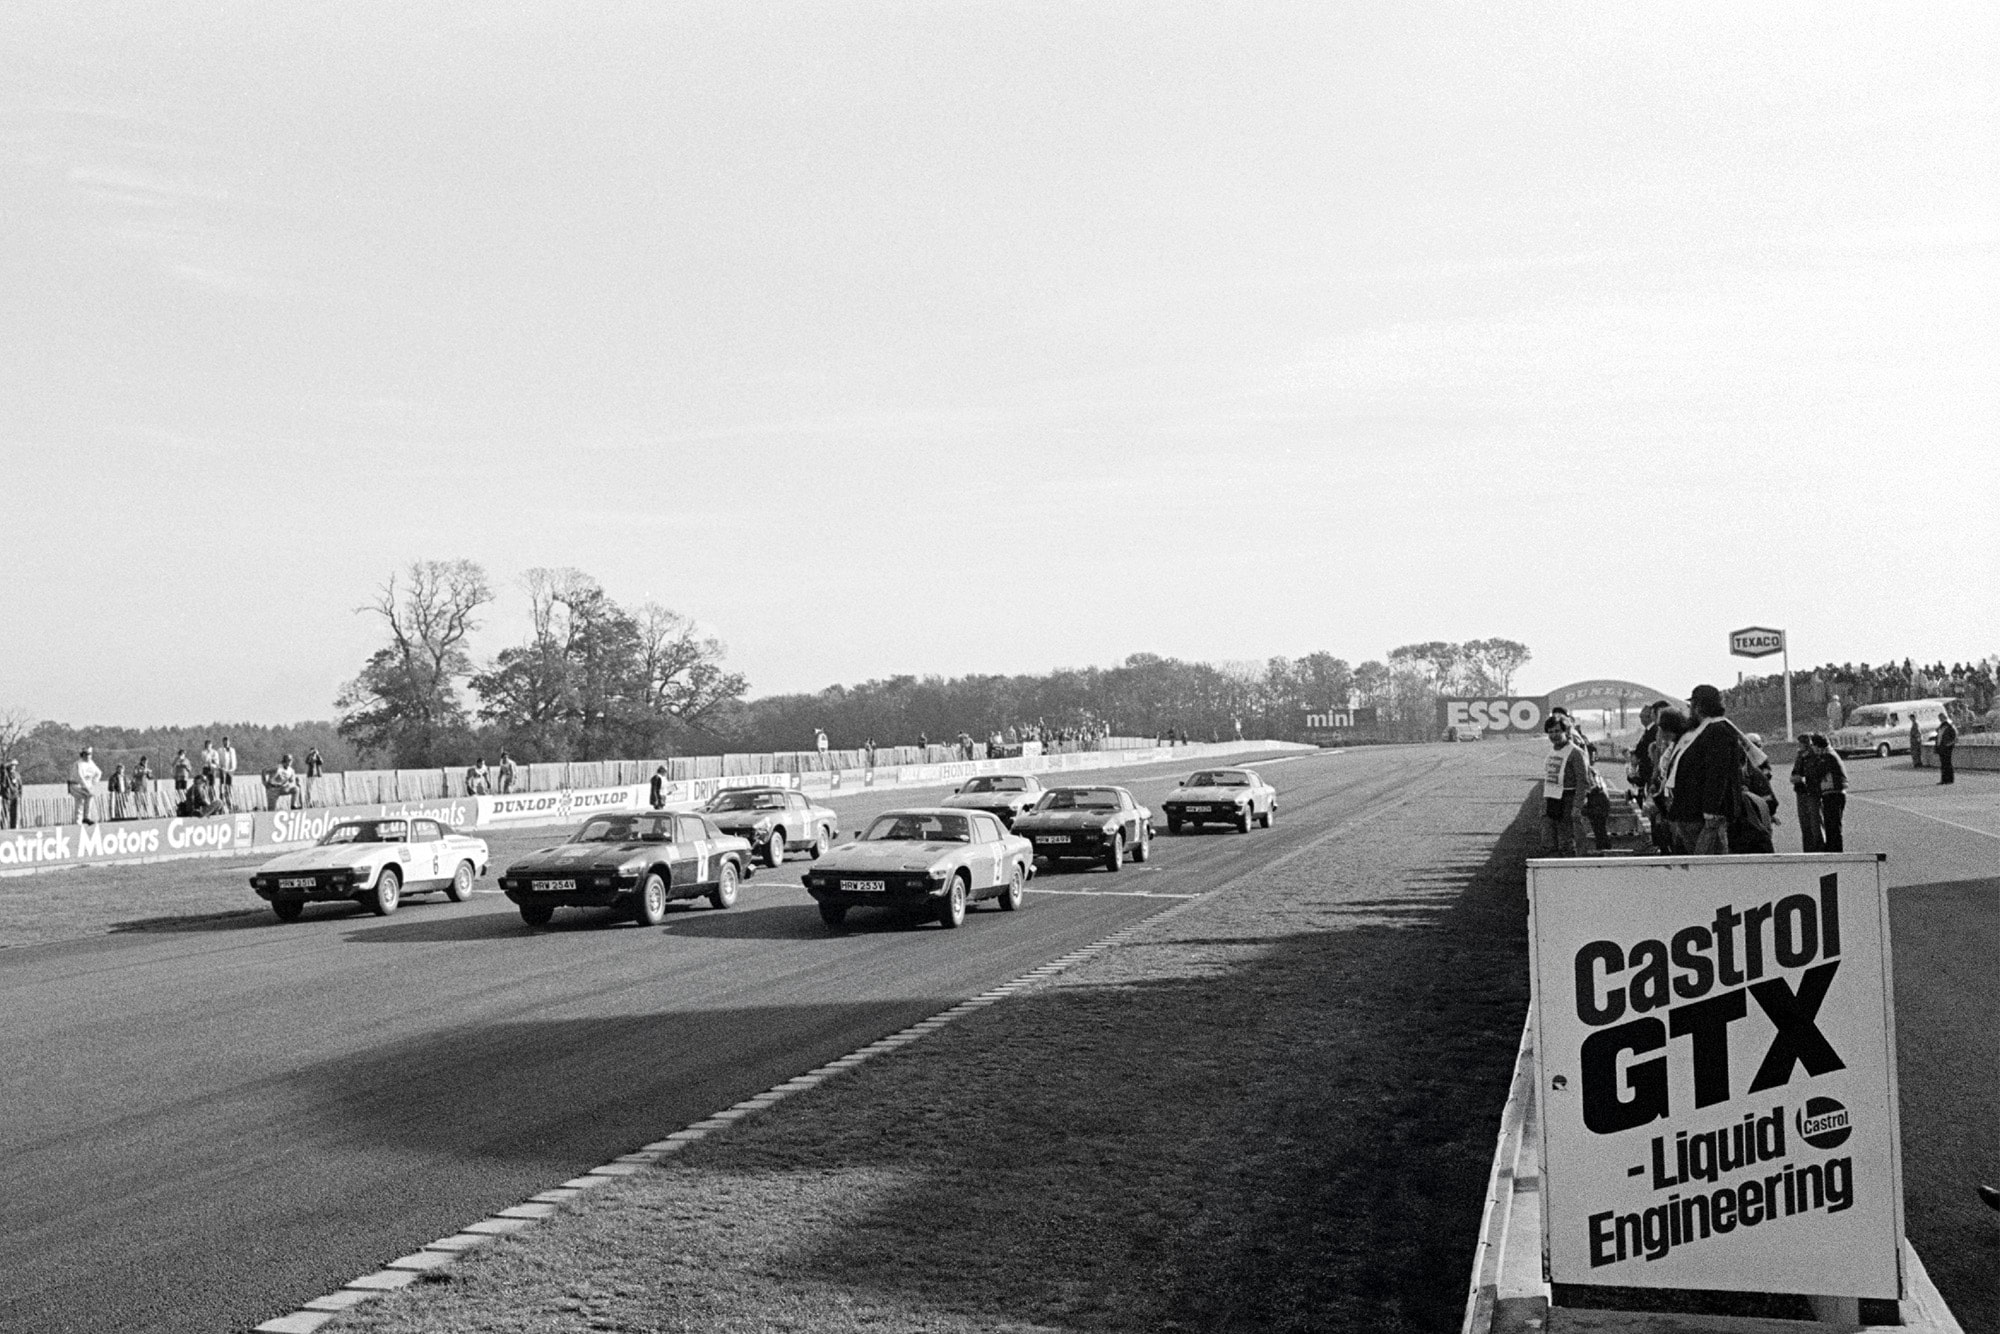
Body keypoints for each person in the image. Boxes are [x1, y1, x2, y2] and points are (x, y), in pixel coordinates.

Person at [1661, 685, 1756, 855]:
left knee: (1709, 866)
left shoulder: (1716, 730)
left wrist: (1711, 809)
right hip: (1691, 811)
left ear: (1698, 707)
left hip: (1704, 814)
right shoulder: (1705, 729)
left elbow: (1717, 773)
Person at [1540, 719, 1591, 856]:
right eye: (1550, 732)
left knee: (1566, 842)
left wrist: (1577, 806)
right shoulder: (1552, 751)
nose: (1554, 735)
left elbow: (1583, 781)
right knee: (1548, 841)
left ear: (1565, 732)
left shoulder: (1575, 753)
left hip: (1568, 799)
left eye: (1557, 731)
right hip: (1551, 799)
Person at [1809, 734, 1849, 852]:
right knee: (1830, 825)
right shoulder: (1827, 755)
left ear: (1818, 745)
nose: (1812, 748)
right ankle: (1832, 848)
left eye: (1813, 745)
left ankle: (1835, 850)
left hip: (1834, 794)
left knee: (1833, 825)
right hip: (1830, 794)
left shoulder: (1828, 756)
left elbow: (1817, 772)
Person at [1791, 737, 1825, 852]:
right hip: (1801, 792)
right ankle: (1808, 850)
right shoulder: (1800, 756)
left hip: (1812, 792)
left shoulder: (1815, 756)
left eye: (1802, 743)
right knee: (1804, 823)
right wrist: (1794, 778)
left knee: (1815, 823)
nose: (1800, 746)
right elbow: (1795, 772)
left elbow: (1818, 773)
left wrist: (1804, 778)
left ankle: (1820, 848)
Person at [69, 746, 102, 825]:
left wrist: (93, 783)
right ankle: (86, 818)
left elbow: (99, 773)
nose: (88, 756)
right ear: (82, 755)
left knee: (80, 803)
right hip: (76, 785)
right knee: (89, 795)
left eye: (89, 754)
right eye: (86, 754)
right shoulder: (78, 764)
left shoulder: (91, 763)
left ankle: (79, 822)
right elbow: (80, 777)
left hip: (85, 786)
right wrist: (87, 788)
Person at [1935, 712, 1957, 784]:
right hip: (1941, 747)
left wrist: (1949, 744)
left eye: (1941, 717)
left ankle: (1950, 779)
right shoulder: (1940, 727)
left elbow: (1954, 736)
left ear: (1945, 717)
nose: (1940, 719)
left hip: (1947, 748)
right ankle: (1944, 779)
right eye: (1939, 718)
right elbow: (1939, 737)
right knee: (1943, 764)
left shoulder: (1949, 726)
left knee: (1947, 763)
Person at [0, 758, 20, 829]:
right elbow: (2, 766)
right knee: (4, 815)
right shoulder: (5, 773)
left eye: (14, 765)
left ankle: (14, 828)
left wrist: (19, 795)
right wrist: (8, 763)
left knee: (15, 815)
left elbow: (20, 786)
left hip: (15, 797)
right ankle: (3, 829)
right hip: (6, 797)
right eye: (12, 765)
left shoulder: (17, 775)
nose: (13, 767)